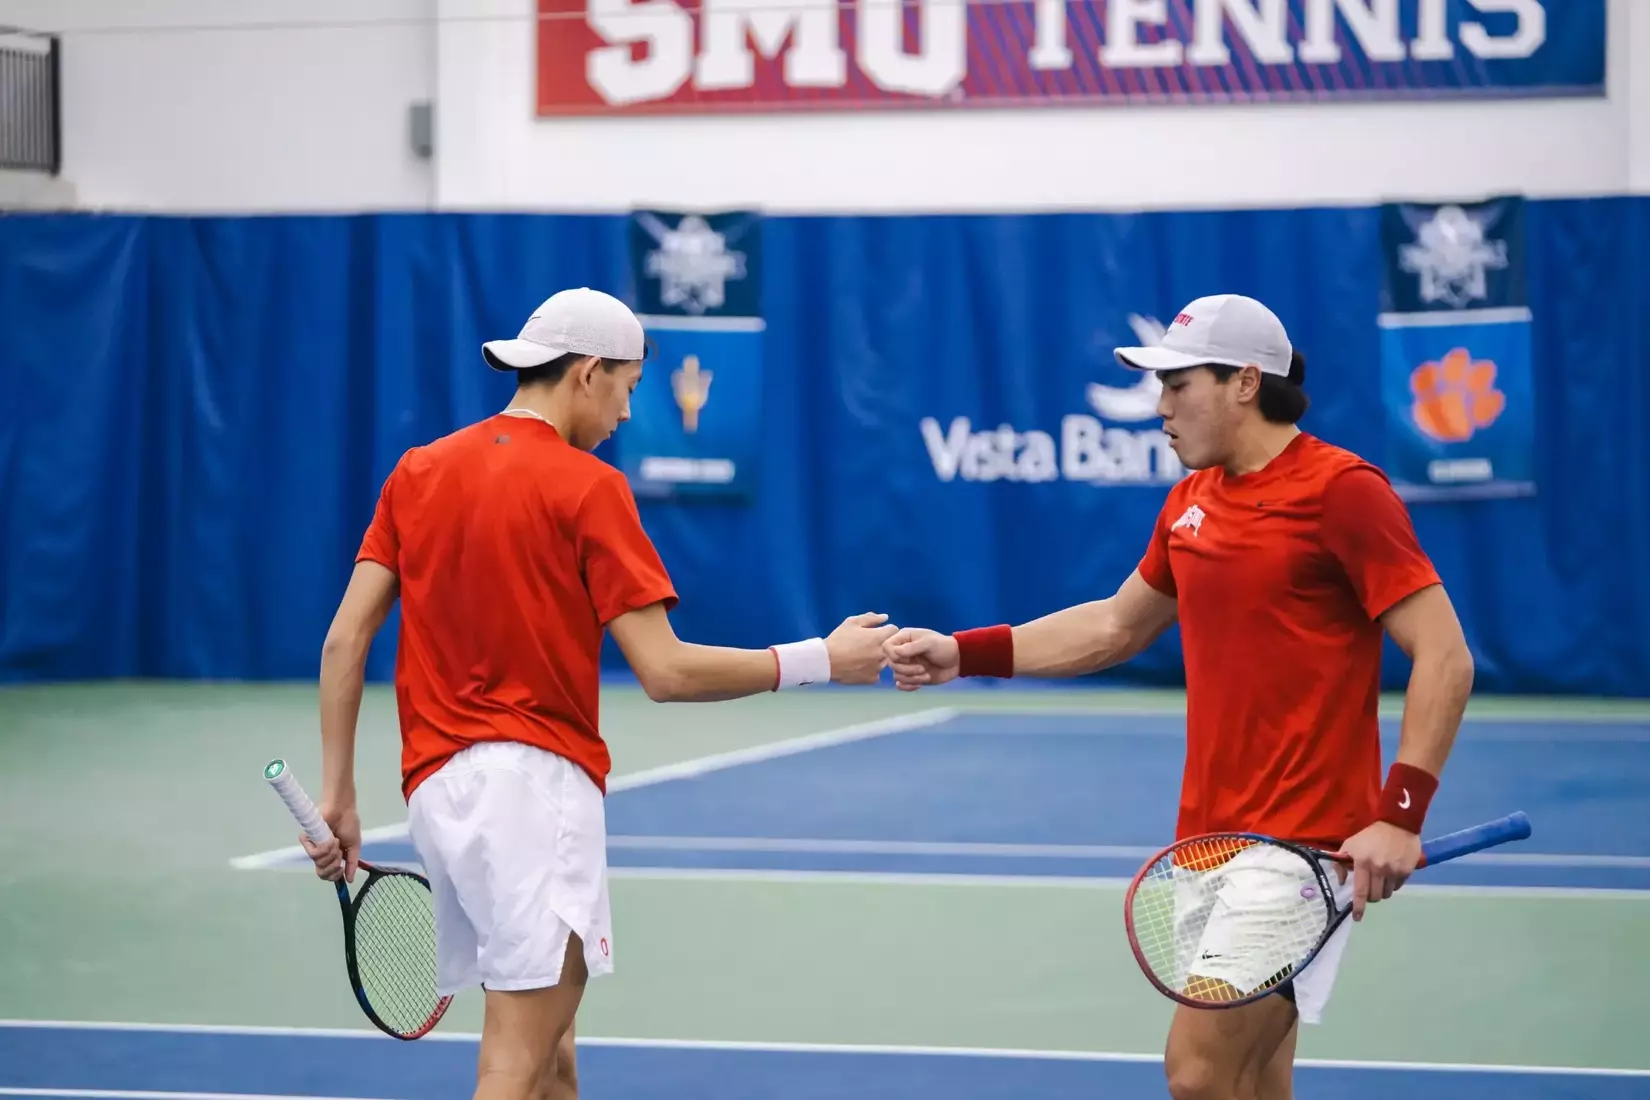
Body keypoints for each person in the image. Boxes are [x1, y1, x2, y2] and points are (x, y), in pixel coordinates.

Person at [298, 287, 897, 1100]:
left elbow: (344, 641)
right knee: (512, 1065)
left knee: (553, 1058)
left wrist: (338, 794)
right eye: (629, 387)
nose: (627, 413)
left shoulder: (417, 472)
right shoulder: (588, 487)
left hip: (437, 795)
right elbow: (666, 671)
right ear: (588, 373)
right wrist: (818, 659)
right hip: (534, 793)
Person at [882, 294, 1475, 1100]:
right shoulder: (1192, 501)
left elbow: (1444, 653)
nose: (1159, 407)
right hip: (1206, 842)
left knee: (1197, 1074)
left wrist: (1401, 813)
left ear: (1245, 383)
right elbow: (1115, 626)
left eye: (1178, 384)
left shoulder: (1343, 492)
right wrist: (963, 653)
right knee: (1253, 1081)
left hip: (1301, 851)